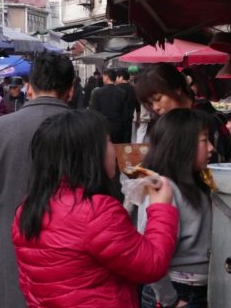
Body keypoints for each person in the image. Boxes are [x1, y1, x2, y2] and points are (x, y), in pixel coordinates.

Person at [12, 110, 178, 308]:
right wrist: (160, 207)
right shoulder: (96, 211)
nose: (114, 148)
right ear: (88, 153)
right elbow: (152, 265)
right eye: (108, 141)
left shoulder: (28, 208)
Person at [0, 52, 76, 308]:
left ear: (29, 88)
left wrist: (8, 221)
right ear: (70, 91)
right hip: (73, 266)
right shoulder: (91, 131)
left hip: (12, 261)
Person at [138, 108, 214, 308]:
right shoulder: (164, 190)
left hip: (193, 290)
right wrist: (170, 300)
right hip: (178, 292)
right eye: (204, 140)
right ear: (182, 145)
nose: (211, 148)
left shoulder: (193, 184)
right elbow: (149, 255)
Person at [135, 63, 231, 163]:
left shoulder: (206, 120)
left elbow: (218, 167)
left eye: (158, 99)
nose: (155, 107)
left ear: (176, 88)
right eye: (150, 103)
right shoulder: (165, 125)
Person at [90, 68, 128, 143]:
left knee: (104, 151)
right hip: (118, 127)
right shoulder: (122, 93)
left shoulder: (98, 92)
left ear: (107, 77)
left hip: (102, 127)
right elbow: (125, 114)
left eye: (103, 76)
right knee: (117, 150)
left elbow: (94, 112)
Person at [116, 68, 139, 143]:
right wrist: (138, 119)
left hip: (117, 119)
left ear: (121, 77)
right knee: (127, 141)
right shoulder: (134, 89)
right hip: (129, 119)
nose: (116, 79)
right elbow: (137, 105)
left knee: (118, 141)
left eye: (117, 77)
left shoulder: (116, 89)